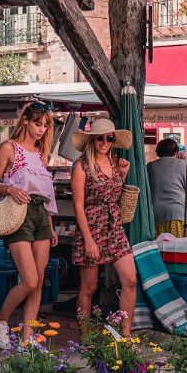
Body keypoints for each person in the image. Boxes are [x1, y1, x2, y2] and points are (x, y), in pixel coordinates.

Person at [0, 102, 58, 350]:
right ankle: (1, 320)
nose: (42, 129)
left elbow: (45, 192)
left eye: (45, 125)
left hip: (41, 215)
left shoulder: (41, 153)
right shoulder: (9, 148)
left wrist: (50, 225)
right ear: (26, 120)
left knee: (38, 281)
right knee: (28, 280)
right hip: (18, 214)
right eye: (38, 123)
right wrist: (10, 188)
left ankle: (28, 340)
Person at [70, 119, 136, 336]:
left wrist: (122, 177)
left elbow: (114, 196)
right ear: (92, 139)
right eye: (100, 137)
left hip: (114, 227)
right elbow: (78, 206)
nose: (105, 142)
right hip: (91, 227)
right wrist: (88, 240)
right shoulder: (81, 166)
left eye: (109, 138)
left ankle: (125, 336)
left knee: (130, 279)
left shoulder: (115, 162)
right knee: (88, 288)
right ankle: (86, 336)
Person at [147, 138, 187, 237]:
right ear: (176, 151)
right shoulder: (183, 165)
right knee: (177, 248)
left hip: (155, 215)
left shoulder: (150, 166)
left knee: (161, 249)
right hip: (177, 214)